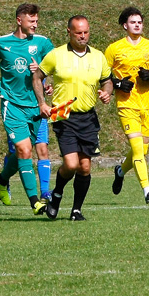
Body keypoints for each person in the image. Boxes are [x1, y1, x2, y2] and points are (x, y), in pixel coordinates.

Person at [34, 16, 113, 221]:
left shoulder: (98, 56)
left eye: (86, 32)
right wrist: (42, 102)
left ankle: (76, 210)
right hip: (64, 115)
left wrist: (106, 92)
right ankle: (57, 194)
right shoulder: (56, 55)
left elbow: (107, 80)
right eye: (78, 32)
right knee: (70, 164)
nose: (83, 36)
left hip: (88, 117)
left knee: (85, 166)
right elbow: (37, 77)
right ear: (69, 32)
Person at [0, 3, 55, 214]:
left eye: (36, 21)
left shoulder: (42, 43)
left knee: (23, 151)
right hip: (12, 103)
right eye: (31, 21)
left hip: (36, 105)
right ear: (19, 21)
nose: (35, 24)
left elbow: (55, 66)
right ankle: (35, 201)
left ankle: (2, 179)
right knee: (25, 150)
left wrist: (43, 73)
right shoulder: (2, 42)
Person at [106, 6, 149, 205]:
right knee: (137, 149)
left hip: (147, 103)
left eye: (139, 22)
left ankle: (120, 170)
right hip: (126, 104)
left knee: (142, 151)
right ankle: (147, 192)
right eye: (133, 22)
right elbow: (103, 76)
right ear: (125, 26)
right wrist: (117, 84)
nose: (137, 25)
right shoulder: (114, 49)